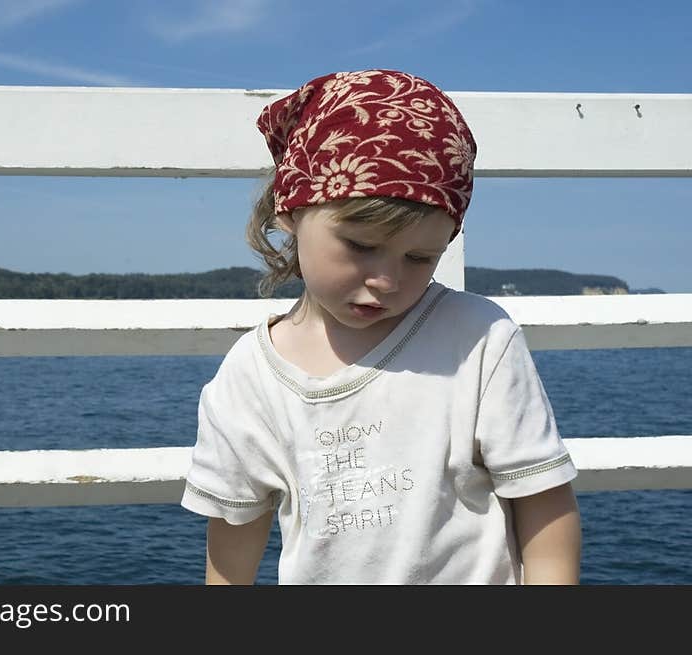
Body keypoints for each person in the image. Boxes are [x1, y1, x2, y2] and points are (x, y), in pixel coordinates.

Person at [180, 69, 582, 584]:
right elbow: (232, 550)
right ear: (290, 211)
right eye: (361, 246)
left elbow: (542, 502)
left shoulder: (478, 338)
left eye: (420, 256)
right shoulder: (250, 377)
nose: (387, 279)